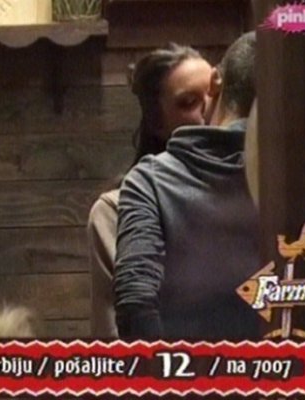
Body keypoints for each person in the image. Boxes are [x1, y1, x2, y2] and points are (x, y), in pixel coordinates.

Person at [113, 31, 262, 340]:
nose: (204, 106)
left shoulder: (149, 183)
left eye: (205, 94)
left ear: (217, 81)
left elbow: (135, 302)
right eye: (187, 101)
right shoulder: (295, 172)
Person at [87, 44, 213, 338]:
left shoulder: (253, 189)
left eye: (217, 94)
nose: (210, 109)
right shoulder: (115, 211)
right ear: (158, 123)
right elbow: (114, 333)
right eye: (189, 102)